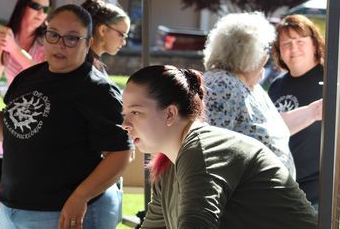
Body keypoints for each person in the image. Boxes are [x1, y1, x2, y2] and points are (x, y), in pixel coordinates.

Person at [0, 4, 133, 229]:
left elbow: (121, 154)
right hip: (11, 210)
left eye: (72, 38)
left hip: (61, 215)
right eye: (53, 35)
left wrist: (79, 198)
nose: (60, 44)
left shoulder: (98, 90)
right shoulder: (27, 78)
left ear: (88, 44)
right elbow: (7, 130)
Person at [121, 65, 316, 228]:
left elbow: (196, 224)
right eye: (125, 113)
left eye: (136, 112)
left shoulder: (202, 150)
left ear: (170, 114)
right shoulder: (170, 167)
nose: (125, 124)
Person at [202, 12, 322, 179]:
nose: (268, 56)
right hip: (248, 200)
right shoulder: (221, 85)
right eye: (265, 48)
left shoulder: (251, 86)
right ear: (246, 53)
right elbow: (211, 153)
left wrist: (313, 111)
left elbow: (274, 128)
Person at [268, 14, 324, 210]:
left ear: (315, 45)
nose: (293, 48)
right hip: (281, 190)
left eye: (300, 41)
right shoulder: (276, 86)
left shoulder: (330, 79)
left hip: (317, 195)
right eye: (286, 43)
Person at [0, 0, 52, 85]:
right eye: (36, 6)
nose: (41, 13)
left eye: (46, 9)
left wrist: (14, 49)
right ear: (23, 6)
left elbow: (42, 75)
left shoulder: (49, 41)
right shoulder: (9, 35)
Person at [81, 0, 130, 74]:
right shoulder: (85, 67)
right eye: (122, 35)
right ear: (103, 30)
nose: (124, 42)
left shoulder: (89, 62)